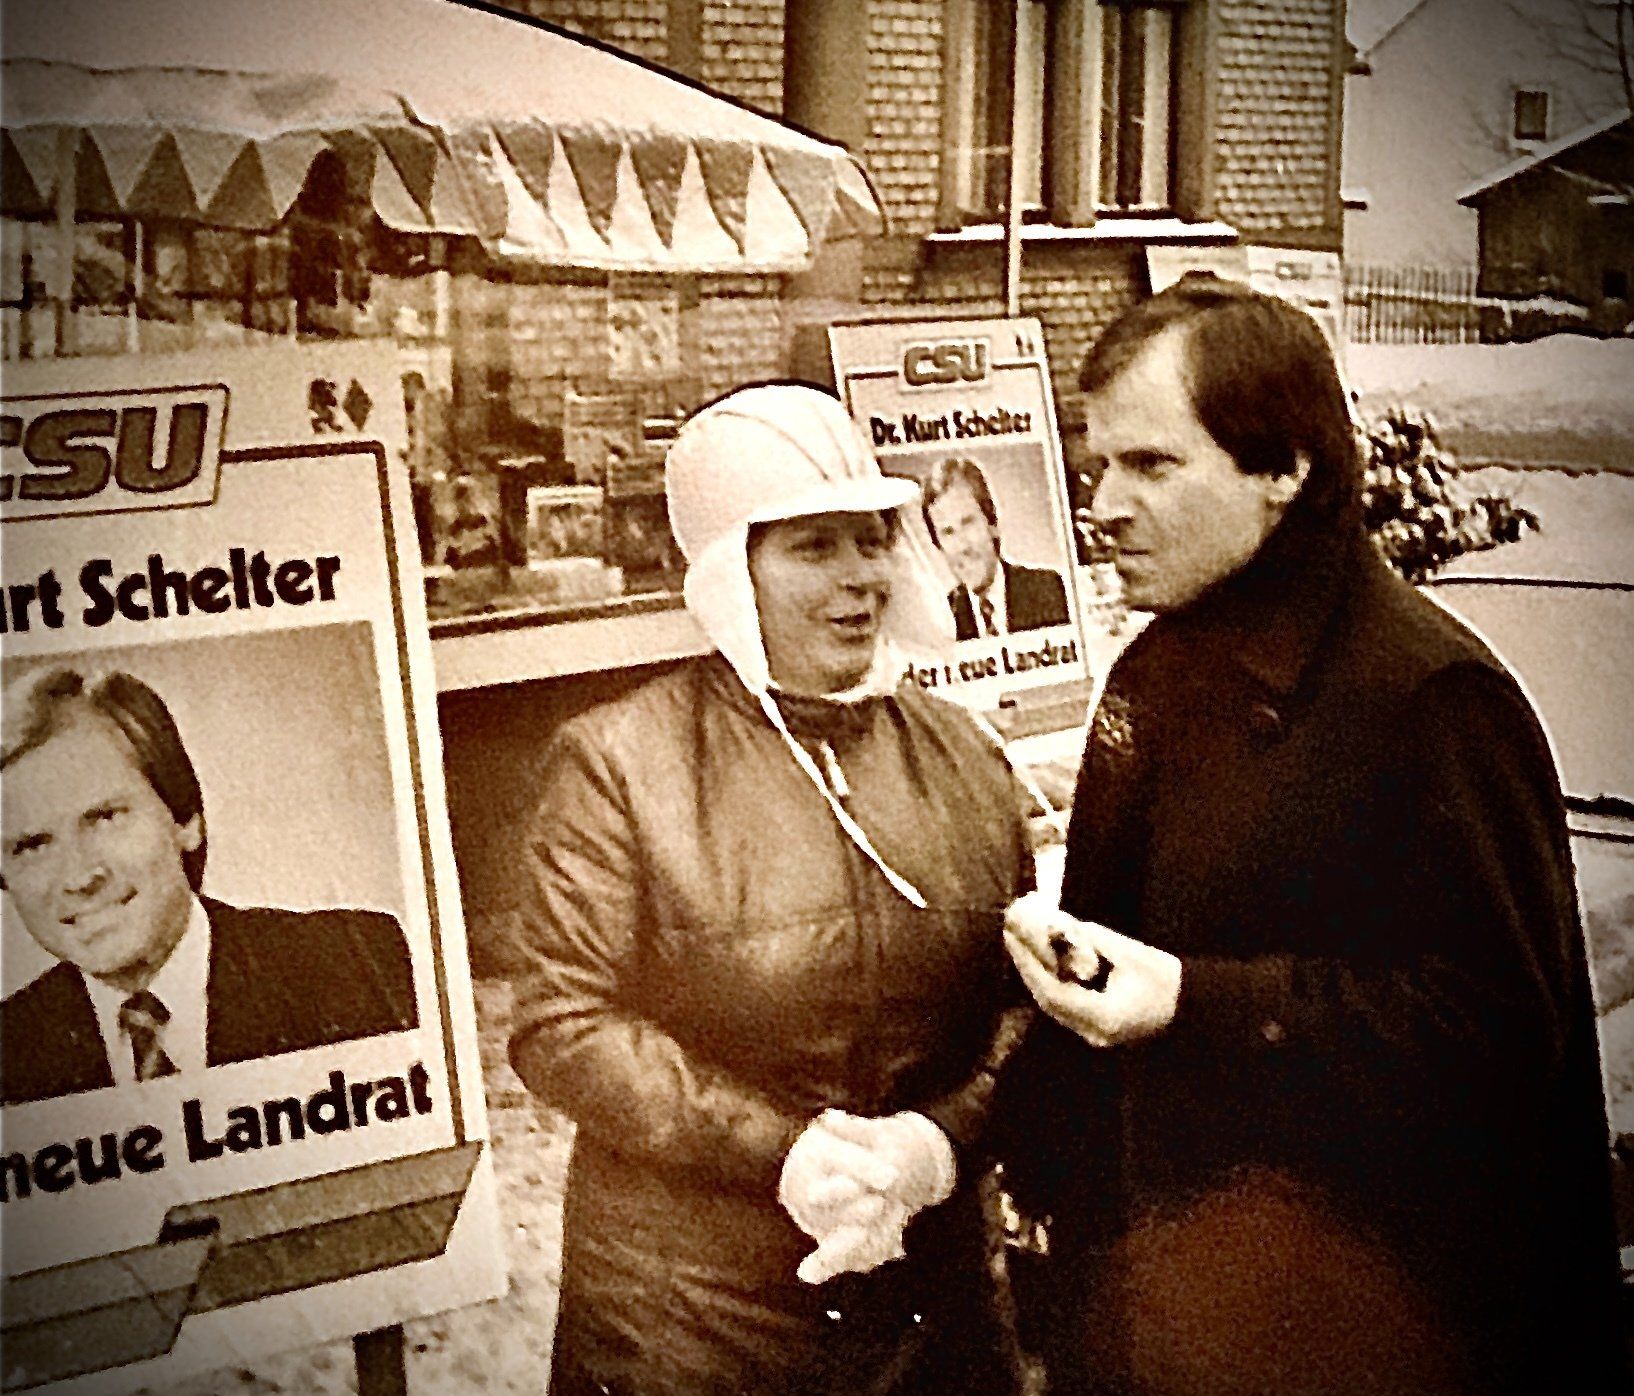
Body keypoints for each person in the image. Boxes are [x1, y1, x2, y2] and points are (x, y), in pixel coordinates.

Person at [998, 276, 1626, 1394]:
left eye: (1150, 465)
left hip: (1356, 1321)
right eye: (1098, 464)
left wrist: (1197, 999)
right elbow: (1113, 944)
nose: (1102, 504)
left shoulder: (1427, 697)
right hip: (1161, 1297)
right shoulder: (1160, 663)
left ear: (1283, 470)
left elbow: (1496, 1031)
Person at [508, 384, 1034, 1396]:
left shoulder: (965, 756)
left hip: (929, 1312)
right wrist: (779, 1153)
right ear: (729, 571)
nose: (858, 579)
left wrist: (937, 1141)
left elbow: (1021, 1009)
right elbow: (559, 1021)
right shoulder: (620, 762)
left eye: (871, 538)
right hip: (691, 1321)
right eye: (811, 547)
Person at [0, 665, 418, 1106]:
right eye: (31, 846)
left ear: (184, 818)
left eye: (106, 818)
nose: (79, 877)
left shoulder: (353, 961)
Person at [922, 457, 1070, 640]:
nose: (962, 546)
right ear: (939, 546)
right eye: (948, 532)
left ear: (992, 522)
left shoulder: (1047, 588)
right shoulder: (941, 620)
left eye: (968, 523)